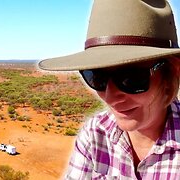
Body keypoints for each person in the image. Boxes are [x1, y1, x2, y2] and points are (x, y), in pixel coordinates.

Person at [38, 0, 180, 179]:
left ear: (171, 71)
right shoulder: (95, 135)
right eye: (97, 77)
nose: (110, 97)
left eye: (131, 78)